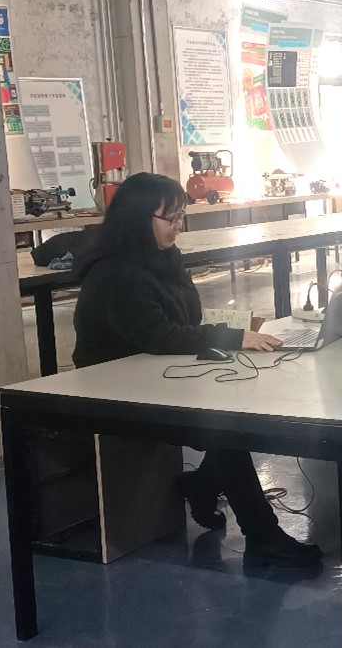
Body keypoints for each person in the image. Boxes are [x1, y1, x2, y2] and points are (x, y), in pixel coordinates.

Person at [72, 173, 322, 568]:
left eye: (181, 217)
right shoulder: (115, 273)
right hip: (114, 388)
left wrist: (228, 337)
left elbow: (185, 322)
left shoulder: (165, 258)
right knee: (223, 428)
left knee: (235, 409)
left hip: (158, 373)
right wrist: (233, 337)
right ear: (138, 217)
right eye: (170, 218)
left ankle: (203, 485)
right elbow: (160, 335)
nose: (178, 227)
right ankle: (261, 534)